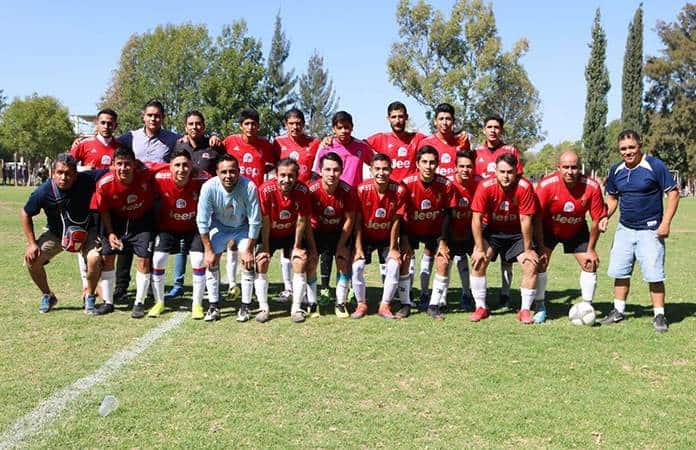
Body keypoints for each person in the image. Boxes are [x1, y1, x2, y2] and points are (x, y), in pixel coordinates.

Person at [600, 130, 679, 332]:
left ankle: (659, 315)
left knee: (654, 275)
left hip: (651, 231)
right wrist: (604, 216)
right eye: (623, 149)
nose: (627, 152)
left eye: (631, 147)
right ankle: (618, 311)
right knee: (620, 272)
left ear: (640, 145)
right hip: (624, 229)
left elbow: (673, 194)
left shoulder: (654, 165)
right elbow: (612, 198)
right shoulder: (616, 169)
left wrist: (666, 223)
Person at [21, 154, 106, 314]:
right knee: (32, 260)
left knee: (94, 258)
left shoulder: (87, 179)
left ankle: (90, 295)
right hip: (57, 234)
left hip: (87, 231)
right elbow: (25, 213)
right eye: (59, 173)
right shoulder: (44, 191)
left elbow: (111, 171)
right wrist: (32, 244)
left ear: (76, 174)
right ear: (53, 173)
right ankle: (47, 295)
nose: (64, 177)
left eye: (68, 173)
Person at [533, 150, 606, 323]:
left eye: (574, 167)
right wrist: (541, 245)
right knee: (541, 263)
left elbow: (596, 220)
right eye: (565, 167)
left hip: (576, 229)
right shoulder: (546, 185)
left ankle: (587, 306)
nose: (570, 171)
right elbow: (536, 218)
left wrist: (591, 249)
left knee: (590, 264)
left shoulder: (592, 186)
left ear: (580, 168)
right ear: (558, 168)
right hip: (549, 229)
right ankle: (540, 305)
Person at [469, 153, 539, 324]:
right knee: (478, 261)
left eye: (509, 172)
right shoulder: (485, 186)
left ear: (516, 172)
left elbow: (526, 219)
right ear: (496, 172)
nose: (506, 176)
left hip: (517, 233)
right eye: (502, 172)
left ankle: (524, 310)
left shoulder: (525, 186)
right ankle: (481, 307)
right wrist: (479, 248)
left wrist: (529, 249)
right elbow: (476, 219)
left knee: (531, 265)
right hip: (493, 231)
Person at [165, 110, 224, 300]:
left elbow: (224, 169)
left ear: (204, 126)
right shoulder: (179, 145)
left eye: (198, 123)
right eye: (191, 124)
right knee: (183, 246)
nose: (194, 127)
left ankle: (210, 284)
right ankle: (178, 284)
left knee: (209, 245)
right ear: (185, 127)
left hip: (208, 206)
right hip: (185, 205)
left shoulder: (214, 146)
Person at [92, 147, 156, 318]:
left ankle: (139, 302)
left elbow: (167, 167)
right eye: (119, 164)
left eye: (127, 164)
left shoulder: (146, 174)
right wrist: (110, 232)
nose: (123, 168)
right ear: (113, 165)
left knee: (143, 260)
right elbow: (104, 210)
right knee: (108, 258)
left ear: (134, 165)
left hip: (141, 222)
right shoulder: (104, 184)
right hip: (116, 223)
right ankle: (108, 302)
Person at [196, 154, 261, 322]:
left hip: (242, 227)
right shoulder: (208, 187)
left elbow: (255, 221)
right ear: (216, 173)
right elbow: (202, 220)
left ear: (239, 172)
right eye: (223, 172)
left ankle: (245, 306)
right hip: (220, 227)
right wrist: (208, 250)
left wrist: (248, 250)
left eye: (232, 171)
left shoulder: (249, 187)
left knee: (247, 261)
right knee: (211, 261)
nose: (228, 176)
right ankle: (214, 306)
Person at [222, 108, 278, 300]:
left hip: (256, 200)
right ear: (241, 126)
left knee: (254, 241)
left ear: (258, 126)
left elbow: (271, 170)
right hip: (233, 199)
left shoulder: (266, 145)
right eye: (247, 123)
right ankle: (231, 284)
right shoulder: (229, 142)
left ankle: (252, 283)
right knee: (232, 242)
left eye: (254, 124)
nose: (250, 127)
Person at [148, 149, 210, 319]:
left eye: (185, 165)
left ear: (191, 166)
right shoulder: (160, 177)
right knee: (158, 260)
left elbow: (217, 184)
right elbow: (144, 168)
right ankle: (159, 302)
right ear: (170, 167)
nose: (181, 169)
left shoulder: (202, 177)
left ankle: (197, 304)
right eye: (177, 165)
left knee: (198, 260)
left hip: (193, 228)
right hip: (167, 228)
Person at [256, 158, 316, 323]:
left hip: (291, 233)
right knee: (261, 260)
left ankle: (296, 308)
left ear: (297, 176)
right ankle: (263, 307)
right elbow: (265, 221)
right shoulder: (266, 190)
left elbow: (302, 220)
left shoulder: (303, 190)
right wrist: (266, 247)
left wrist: (297, 246)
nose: (286, 180)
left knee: (300, 260)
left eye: (291, 176)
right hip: (271, 233)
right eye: (282, 175)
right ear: (276, 175)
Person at [400, 146, 457, 320]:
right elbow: (400, 214)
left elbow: (448, 215)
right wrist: (404, 240)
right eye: (424, 162)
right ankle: (405, 304)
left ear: (437, 164)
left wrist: (443, 242)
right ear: (417, 163)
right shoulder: (406, 183)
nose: (428, 166)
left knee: (443, 260)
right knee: (404, 258)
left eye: (432, 162)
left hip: (435, 230)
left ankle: (433, 305)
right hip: (412, 229)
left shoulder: (446, 184)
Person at [473, 115, 523, 308]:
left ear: (501, 130)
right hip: (485, 214)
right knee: (479, 255)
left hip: (507, 211)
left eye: (496, 127)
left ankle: (504, 294)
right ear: (483, 129)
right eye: (489, 127)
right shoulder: (476, 152)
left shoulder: (510, 150)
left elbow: (517, 179)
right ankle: (476, 299)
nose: (493, 130)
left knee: (507, 259)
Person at [271, 108, 320, 303]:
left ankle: (308, 288)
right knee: (286, 246)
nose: (295, 126)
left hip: (307, 200)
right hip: (285, 199)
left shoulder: (314, 143)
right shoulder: (277, 143)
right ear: (286, 125)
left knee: (305, 244)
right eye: (291, 123)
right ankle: (288, 288)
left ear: (303, 124)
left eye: (298, 122)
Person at [351, 153, 407, 319]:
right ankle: (361, 303)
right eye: (377, 169)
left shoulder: (399, 190)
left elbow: (397, 221)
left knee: (394, 266)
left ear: (391, 170)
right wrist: (358, 248)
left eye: (385, 169)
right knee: (357, 266)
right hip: (366, 237)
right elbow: (358, 222)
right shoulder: (362, 189)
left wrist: (393, 248)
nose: (381, 173)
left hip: (386, 238)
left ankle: (385, 304)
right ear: (371, 170)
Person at [308, 152, 357, 317]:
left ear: (341, 171)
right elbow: (305, 221)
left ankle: (341, 303)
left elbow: (350, 220)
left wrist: (342, 245)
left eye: (336, 170)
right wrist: (313, 248)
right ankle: (312, 302)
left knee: (343, 261)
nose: (331, 174)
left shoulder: (347, 191)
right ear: (320, 171)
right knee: (311, 261)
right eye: (327, 169)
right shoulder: (311, 190)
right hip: (317, 231)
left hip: (339, 231)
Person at [448, 150, 479, 312]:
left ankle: (468, 294)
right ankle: (440, 298)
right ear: (455, 168)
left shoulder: (480, 183)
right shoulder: (449, 184)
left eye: (469, 166)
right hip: (451, 231)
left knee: (476, 261)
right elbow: (446, 215)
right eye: (462, 166)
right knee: (445, 262)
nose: (465, 170)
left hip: (473, 233)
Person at [366, 101, 426, 183]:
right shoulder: (381, 138)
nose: (397, 121)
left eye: (400, 116)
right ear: (388, 119)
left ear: (406, 117)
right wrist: (374, 164)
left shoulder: (417, 138)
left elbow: (436, 144)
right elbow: (359, 146)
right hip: (390, 190)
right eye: (393, 117)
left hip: (411, 190)